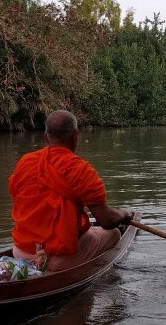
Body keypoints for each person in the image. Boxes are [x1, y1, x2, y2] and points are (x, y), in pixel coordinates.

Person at [9, 109, 133, 271]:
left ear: (46, 137)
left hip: (21, 253)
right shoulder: (81, 170)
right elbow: (107, 221)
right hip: (56, 260)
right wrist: (123, 213)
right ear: (75, 136)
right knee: (114, 233)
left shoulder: (25, 162)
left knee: (89, 230)